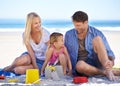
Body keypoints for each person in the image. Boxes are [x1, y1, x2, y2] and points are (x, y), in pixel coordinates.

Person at [65, 11, 120, 81]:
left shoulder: (97, 32)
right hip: (82, 67)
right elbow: (65, 52)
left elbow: (109, 52)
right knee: (79, 65)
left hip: (97, 63)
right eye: (75, 25)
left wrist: (110, 63)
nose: (76, 28)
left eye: (78, 25)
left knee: (97, 39)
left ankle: (108, 70)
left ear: (86, 23)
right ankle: (105, 73)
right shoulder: (69, 34)